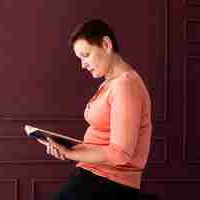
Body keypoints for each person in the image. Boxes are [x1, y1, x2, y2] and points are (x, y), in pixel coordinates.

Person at [38, 18, 152, 200]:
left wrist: (71, 153)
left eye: (86, 55)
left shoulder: (125, 86)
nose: (83, 65)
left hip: (108, 183)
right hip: (94, 177)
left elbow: (120, 153)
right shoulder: (110, 83)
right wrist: (67, 149)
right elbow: (102, 141)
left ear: (106, 44)